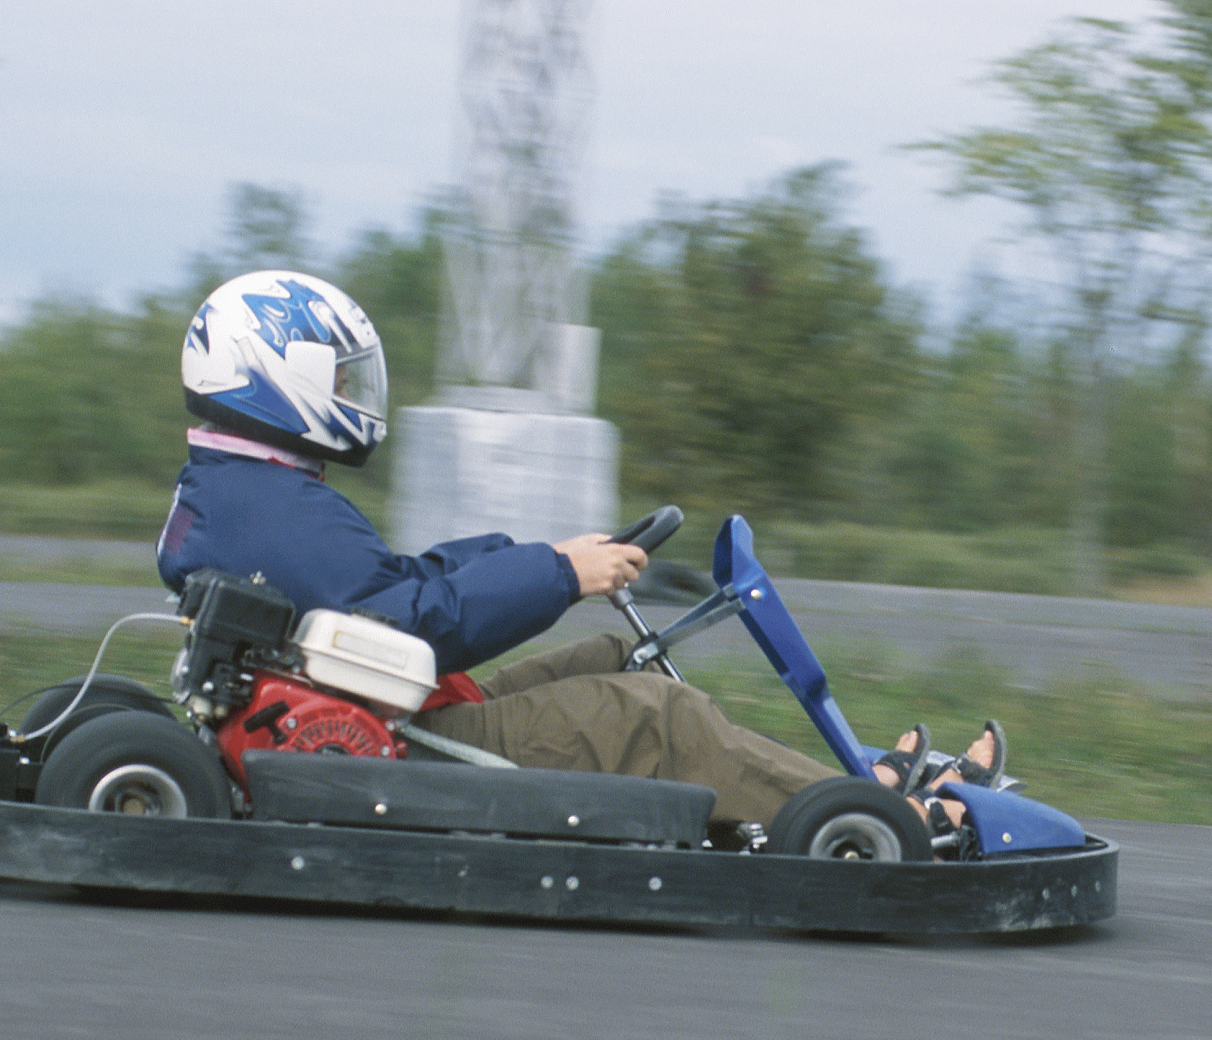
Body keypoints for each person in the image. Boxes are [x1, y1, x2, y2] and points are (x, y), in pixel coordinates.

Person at [155, 270, 1001, 837]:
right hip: (394, 741)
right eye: (336, 379)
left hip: (386, 705)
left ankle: (837, 792)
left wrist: (548, 557)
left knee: (616, 654)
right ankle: (877, 821)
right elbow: (410, 624)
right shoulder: (271, 504)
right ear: (268, 375)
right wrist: (559, 575)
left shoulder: (241, 489)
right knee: (652, 714)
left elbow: (390, 585)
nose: (350, 396)